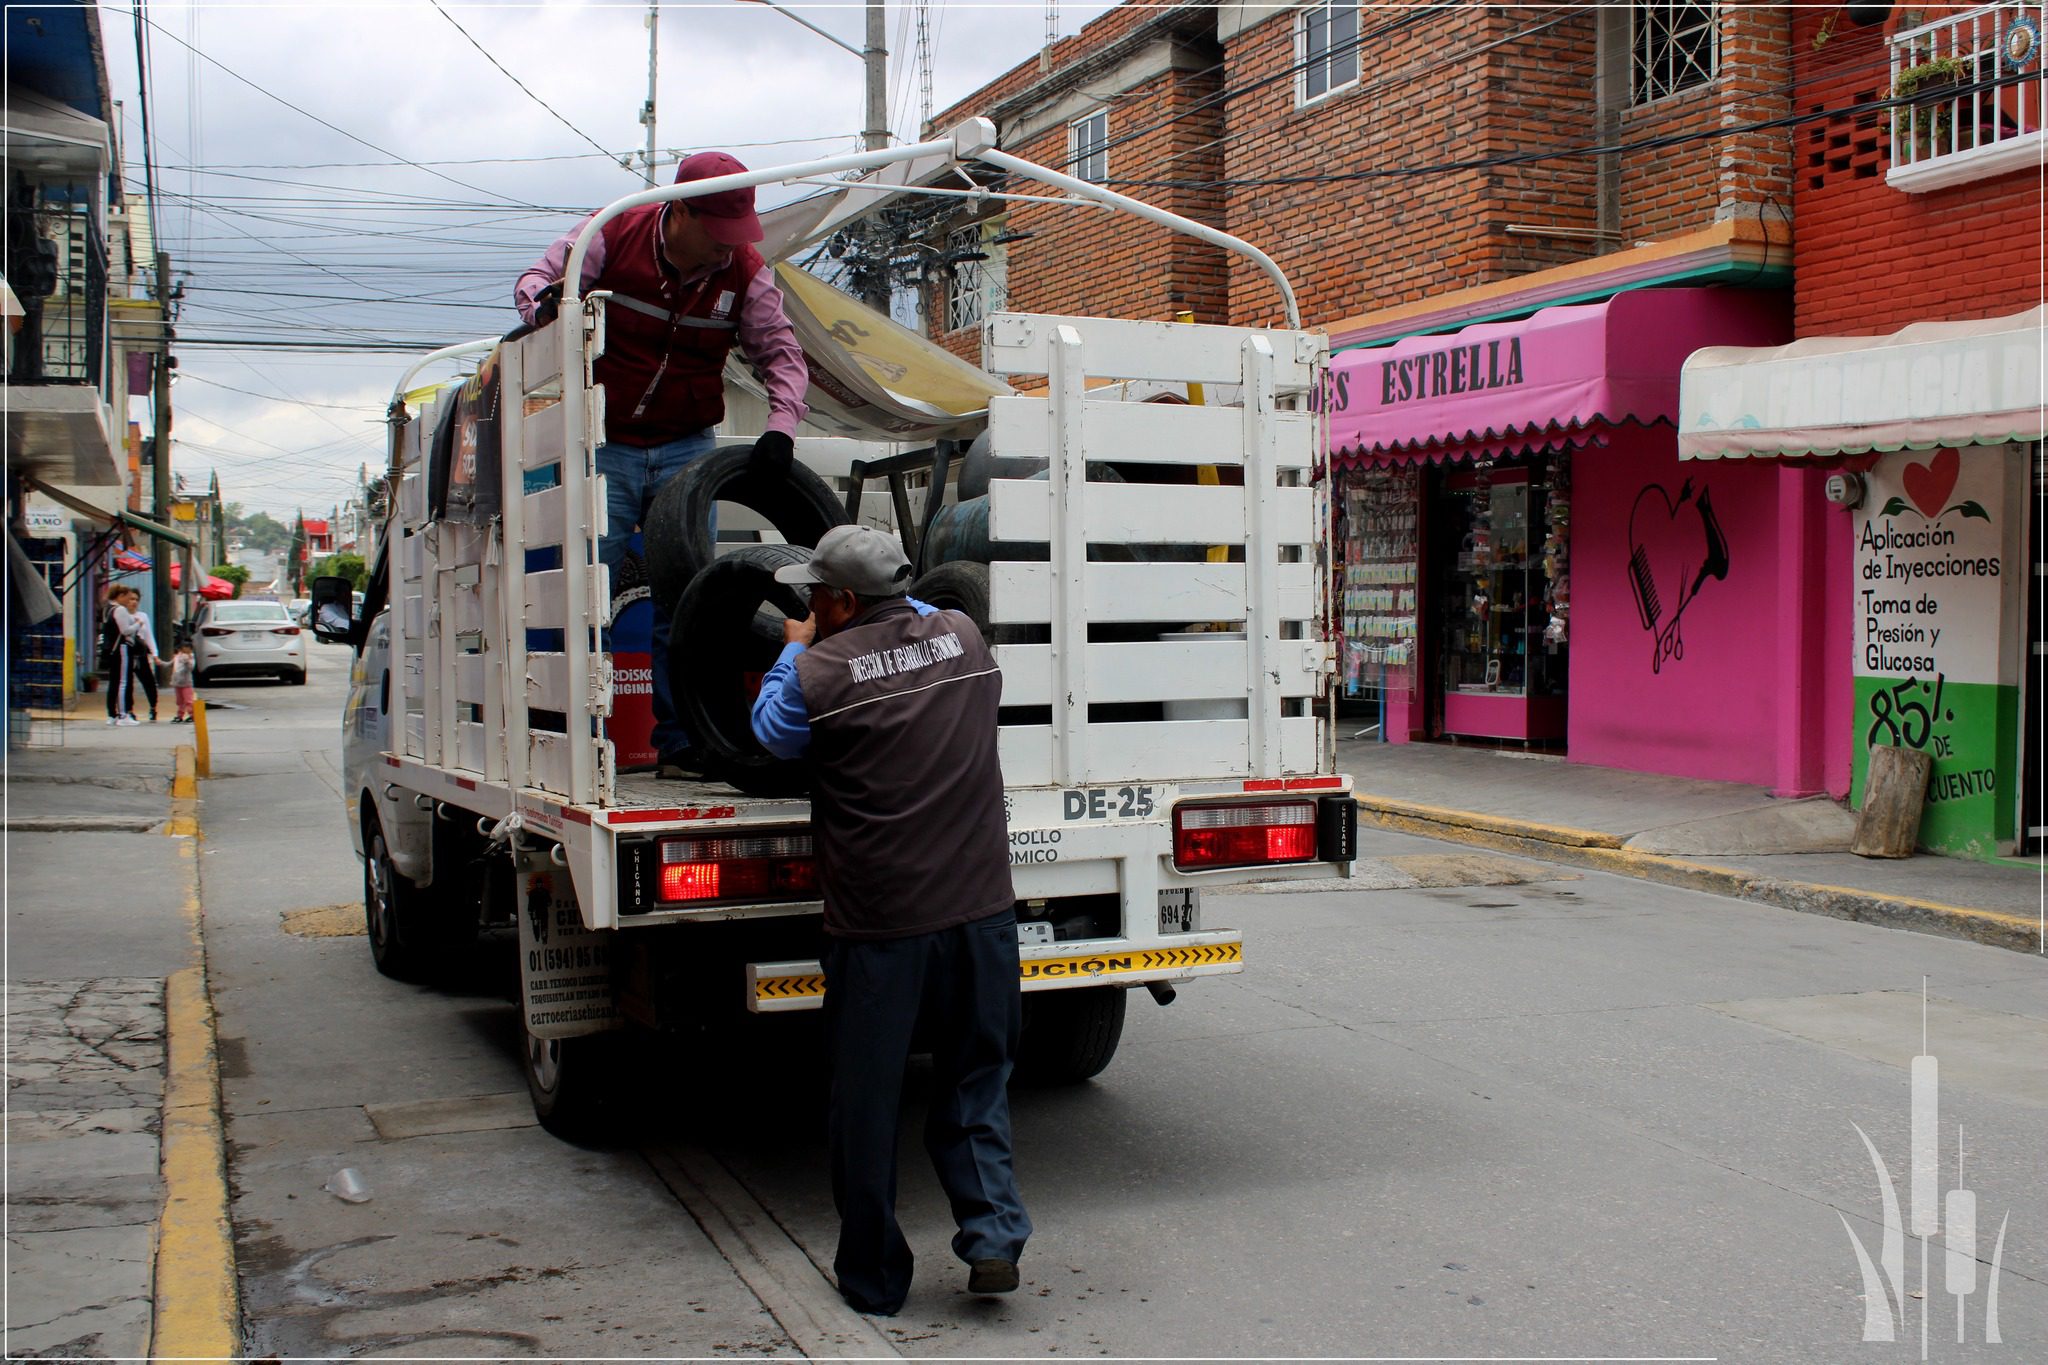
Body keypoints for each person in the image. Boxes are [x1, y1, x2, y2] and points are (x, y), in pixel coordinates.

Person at [749, 525, 1029, 1316]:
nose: (807, 605)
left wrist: (790, 648)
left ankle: (874, 1277)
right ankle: (994, 1235)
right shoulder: (966, 635)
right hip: (982, 910)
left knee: (867, 1102)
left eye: (814, 595)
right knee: (978, 1076)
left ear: (841, 600)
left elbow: (769, 734)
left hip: (883, 924)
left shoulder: (821, 672)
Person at [515, 151, 810, 779]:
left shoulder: (746, 274)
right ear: (679, 213)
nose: (727, 250)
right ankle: (568, 740)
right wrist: (545, 311)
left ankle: (683, 743)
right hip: (603, 441)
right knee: (581, 593)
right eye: (718, 235)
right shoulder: (610, 234)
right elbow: (537, 281)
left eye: (738, 237)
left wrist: (781, 428)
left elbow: (781, 353)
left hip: (685, 446)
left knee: (689, 600)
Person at [100, 587, 144, 726]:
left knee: (114, 682)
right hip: (122, 648)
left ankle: (112, 714)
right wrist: (137, 624)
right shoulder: (120, 610)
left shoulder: (108, 609)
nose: (129, 600)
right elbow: (125, 630)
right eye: (128, 597)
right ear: (120, 595)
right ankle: (123, 714)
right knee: (122, 681)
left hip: (112, 649)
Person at [127, 598, 163, 721]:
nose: (133, 602)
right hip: (128, 653)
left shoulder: (143, 616)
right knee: (127, 683)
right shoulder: (123, 615)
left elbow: (148, 636)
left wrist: (155, 653)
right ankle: (129, 710)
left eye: (136, 599)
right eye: (131, 599)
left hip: (140, 653)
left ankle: (153, 707)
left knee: (149, 682)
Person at [170, 644, 196, 723]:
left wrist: (187, 661)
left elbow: (191, 667)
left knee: (188, 701)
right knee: (180, 701)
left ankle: (192, 715)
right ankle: (179, 715)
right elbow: (171, 664)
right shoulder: (178, 657)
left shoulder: (190, 658)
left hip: (186, 683)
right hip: (177, 682)